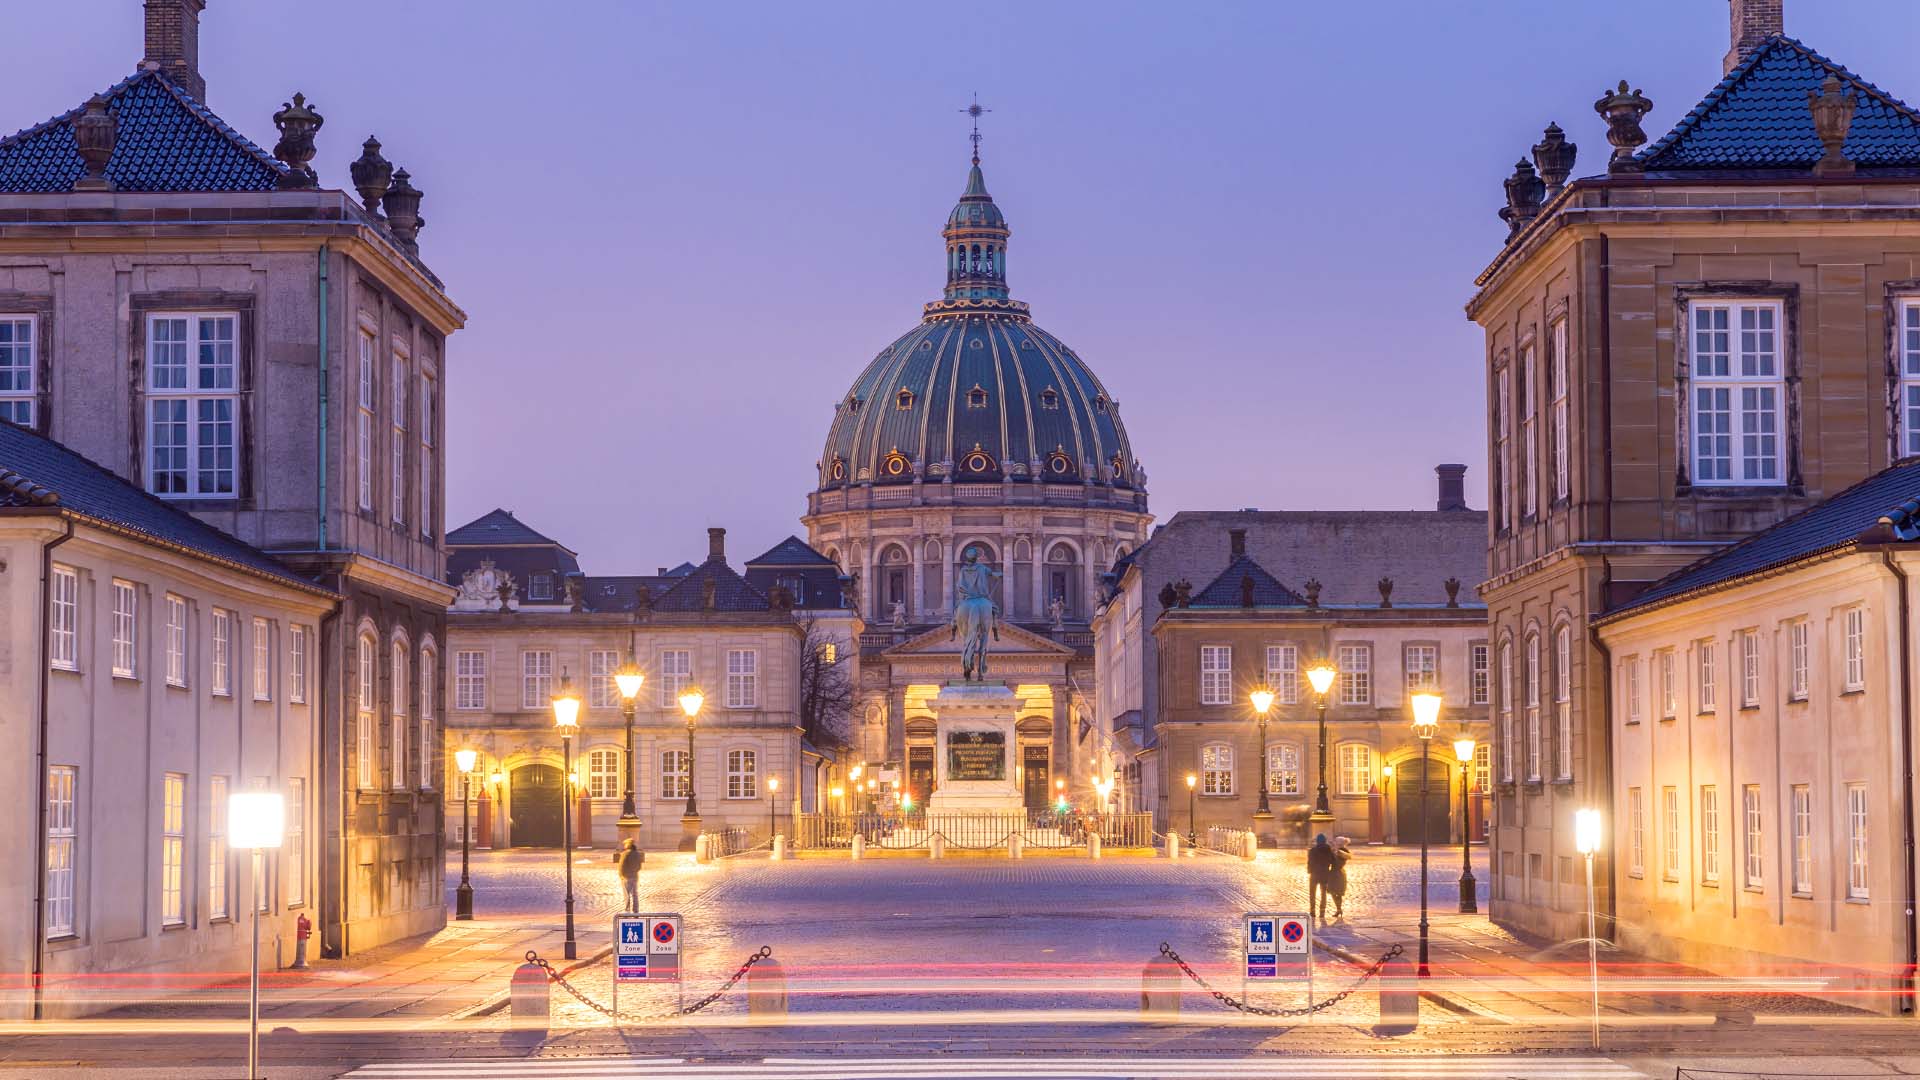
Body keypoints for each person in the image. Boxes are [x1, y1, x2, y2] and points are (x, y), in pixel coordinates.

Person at [1307, 833, 1336, 920]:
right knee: (1323, 893)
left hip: (1314, 874)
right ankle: (1322, 912)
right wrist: (1330, 871)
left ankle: (1312, 911)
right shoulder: (1328, 850)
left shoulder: (1312, 850)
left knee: (1312, 893)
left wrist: (1309, 870)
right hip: (1324, 874)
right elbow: (1333, 861)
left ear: (1317, 841)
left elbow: (1310, 862)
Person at [614, 838, 643, 912]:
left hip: (626, 878)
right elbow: (639, 866)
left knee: (627, 895)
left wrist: (621, 875)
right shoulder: (637, 853)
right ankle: (636, 910)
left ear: (627, 845)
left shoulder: (625, 854)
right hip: (635, 877)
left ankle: (627, 911)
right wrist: (634, 872)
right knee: (635, 894)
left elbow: (621, 866)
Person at [1327, 836, 1353, 919]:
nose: (1335, 842)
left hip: (1338, 873)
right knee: (1333, 892)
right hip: (1334, 873)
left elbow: (1338, 862)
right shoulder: (1336, 850)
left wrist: (1335, 853)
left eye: (1336, 841)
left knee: (1337, 893)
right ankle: (1338, 909)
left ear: (1340, 843)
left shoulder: (1343, 851)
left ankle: (1338, 909)